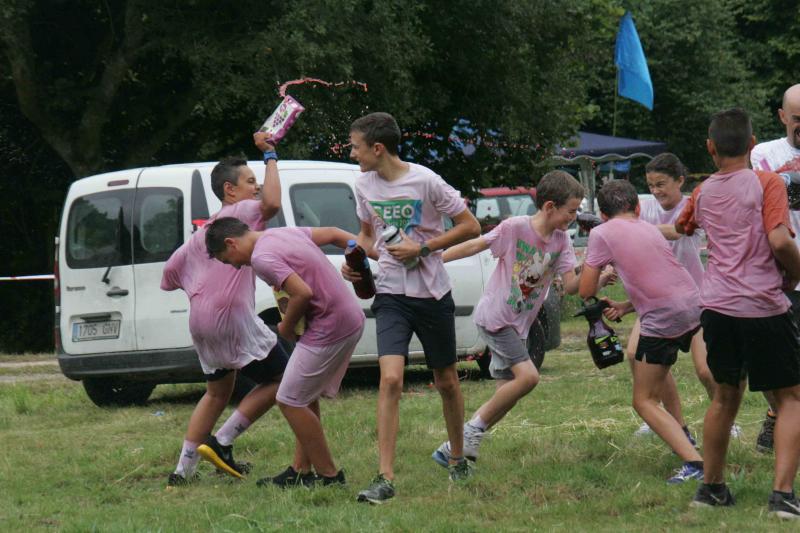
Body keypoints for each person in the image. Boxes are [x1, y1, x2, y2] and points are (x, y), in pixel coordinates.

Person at [341, 112, 481, 504]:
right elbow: (369, 237)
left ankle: (458, 458)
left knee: (446, 382)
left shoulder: (426, 180)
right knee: (390, 380)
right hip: (390, 295)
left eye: (356, 147)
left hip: (433, 293)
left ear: (377, 148)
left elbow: (471, 226)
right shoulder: (363, 185)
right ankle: (384, 477)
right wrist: (354, 260)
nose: (354, 155)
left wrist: (423, 248)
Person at [430, 170, 605, 465]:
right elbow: (477, 244)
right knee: (529, 377)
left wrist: (599, 275)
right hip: (497, 317)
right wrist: (435, 258)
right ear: (550, 206)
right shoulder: (515, 227)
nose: (574, 217)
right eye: (571, 211)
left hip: (519, 323)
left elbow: (572, 285)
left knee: (506, 397)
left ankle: (456, 450)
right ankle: (466, 435)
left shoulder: (561, 241)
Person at [677, 108, 800, 519]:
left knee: (725, 397)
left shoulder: (702, 191)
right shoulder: (767, 183)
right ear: (752, 144)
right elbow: (780, 241)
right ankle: (782, 497)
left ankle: (711, 489)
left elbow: (684, 226)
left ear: (710, 148)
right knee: (790, 399)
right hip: (763, 306)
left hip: (717, 309)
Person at [161, 133, 287, 486]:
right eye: (250, 182)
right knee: (284, 379)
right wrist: (271, 155)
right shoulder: (240, 213)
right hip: (232, 319)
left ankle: (182, 472)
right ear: (230, 191)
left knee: (217, 391)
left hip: (200, 321)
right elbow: (273, 204)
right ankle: (222, 441)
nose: (257, 188)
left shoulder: (203, 232)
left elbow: (170, 275)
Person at [205, 217, 365, 488]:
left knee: (289, 399)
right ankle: (300, 471)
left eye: (227, 259)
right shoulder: (280, 233)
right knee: (303, 395)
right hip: (345, 317)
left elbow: (301, 293)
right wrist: (371, 253)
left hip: (331, 326)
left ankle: (329, 476)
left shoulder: (262, 258)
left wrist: (286, 327)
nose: (233, 265)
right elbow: (334, 231)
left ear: (231, 243)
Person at [579, 179, 705, 484]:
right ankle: (681, 430)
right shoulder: (648, 227)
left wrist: (599, 270)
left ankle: (695, 463)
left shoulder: (601, 233)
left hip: (662, 317)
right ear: (637, 207)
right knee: (652, 367)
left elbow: (584, 289)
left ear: (603, 215)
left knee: (643, 400)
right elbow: (658, 279)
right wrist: (624, 306)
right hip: (692, 303)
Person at [633, 153, 741, 441]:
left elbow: (677, 232)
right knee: (635, 356)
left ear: (680, 180)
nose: (655, 191)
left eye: (661, 184)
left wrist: (642, 231)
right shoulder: (644, 210)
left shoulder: (691, 206)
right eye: (651, 185)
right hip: (658, 303)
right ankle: (666, 419)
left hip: (696, 301)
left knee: (706, 371)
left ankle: (727, 419)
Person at [750, 83, 800, 453]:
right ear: (783, 117)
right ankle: (777, 416)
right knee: (773, 365)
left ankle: (780, 423)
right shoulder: (763, 153)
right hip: (783, 278)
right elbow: (767, 192)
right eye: (797, 119)